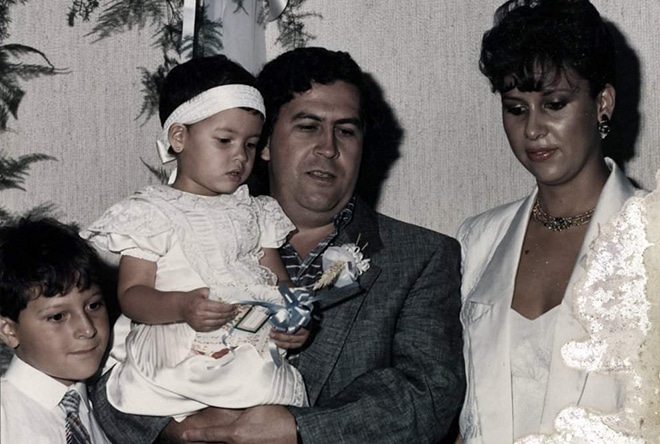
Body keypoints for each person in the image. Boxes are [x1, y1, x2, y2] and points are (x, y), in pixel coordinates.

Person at [91, 47, 465, 444]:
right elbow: (106, 371)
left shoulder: (422, 256)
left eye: (346, 130)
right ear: (265, 144)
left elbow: (428, 395)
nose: (328, 148)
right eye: (308, 126)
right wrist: (181, 431)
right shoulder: (178, 229)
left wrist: (299, 429)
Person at [82, 55, 309, 419]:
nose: (240, 156)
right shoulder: (152, 211)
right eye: (224, 140)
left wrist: (293, 316)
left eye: (251, 144)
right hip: (178, 348)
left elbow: (278, 281)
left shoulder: (256, 211)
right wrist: (181, 307)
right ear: (179, 137)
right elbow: (132, 295)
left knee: (266, 402)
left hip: (247, 345)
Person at [457, 1, 643, 442]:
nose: (533, 129)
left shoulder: (650, 237)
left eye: (554, 104)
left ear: (602, 102)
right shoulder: (477, 241)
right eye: (516, 108)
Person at [0, 217, 111, 443]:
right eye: (57, 316)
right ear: (9, 330)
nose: (87, 329)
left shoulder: (114, 405)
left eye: (93, 306)